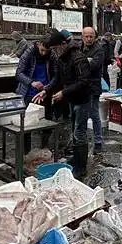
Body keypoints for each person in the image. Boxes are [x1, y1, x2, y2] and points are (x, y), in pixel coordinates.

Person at [33, 29, 91, 178]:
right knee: (74, 131)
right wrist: (46, 90)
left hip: (83, 100)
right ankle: (76, 160)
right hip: (72, 99)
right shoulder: (61, 58)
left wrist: (64, 92)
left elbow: (84, 81)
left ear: (63, 44)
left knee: (80, 133)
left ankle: (81, 168)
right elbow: (57, 78)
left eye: (55, 48)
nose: (53, 52)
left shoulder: (78, 57)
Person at [81, 27, 105, 152]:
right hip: (80, 87)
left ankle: (98, 141)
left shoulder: (99, 50)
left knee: (94, 115)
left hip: (93, 87)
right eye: (86, 36)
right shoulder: (79, 47)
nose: (89, 39)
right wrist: (86, 61)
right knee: (81, 115)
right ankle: (80, 139)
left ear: (94, 37)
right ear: (82, 36)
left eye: (91, 36)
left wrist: (83, 62)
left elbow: (93, 65)